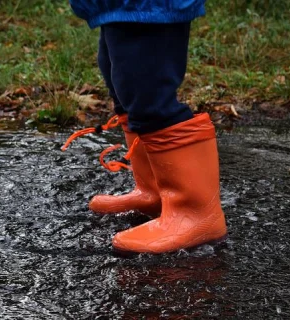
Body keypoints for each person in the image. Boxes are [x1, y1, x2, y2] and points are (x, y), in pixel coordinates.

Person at [64, 0, 227, 254]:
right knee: (123, 85)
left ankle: (194, 214)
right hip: (118, 7)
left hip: (149, 7)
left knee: (148, 93)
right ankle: (154, 191)